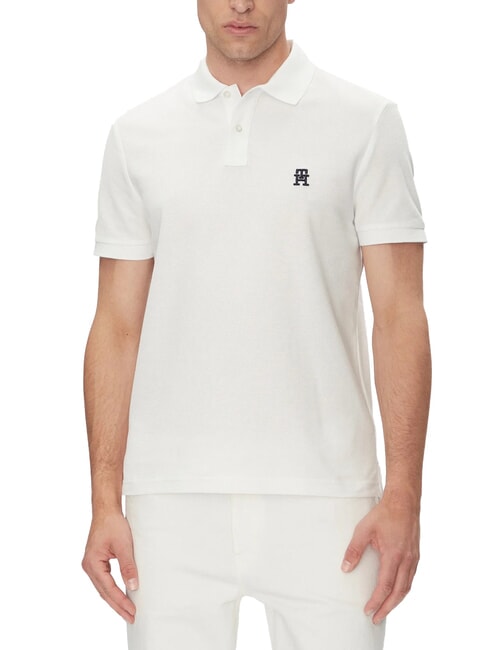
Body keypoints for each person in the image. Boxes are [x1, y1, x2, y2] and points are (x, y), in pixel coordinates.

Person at [81, 1, 432, 649]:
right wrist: (105, 499)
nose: (240, 4)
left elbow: (399, 316)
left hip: (331, 500)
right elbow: (116, 326)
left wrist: (405, 494)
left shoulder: (365, 122)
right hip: (169, 502)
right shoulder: (138, 135)